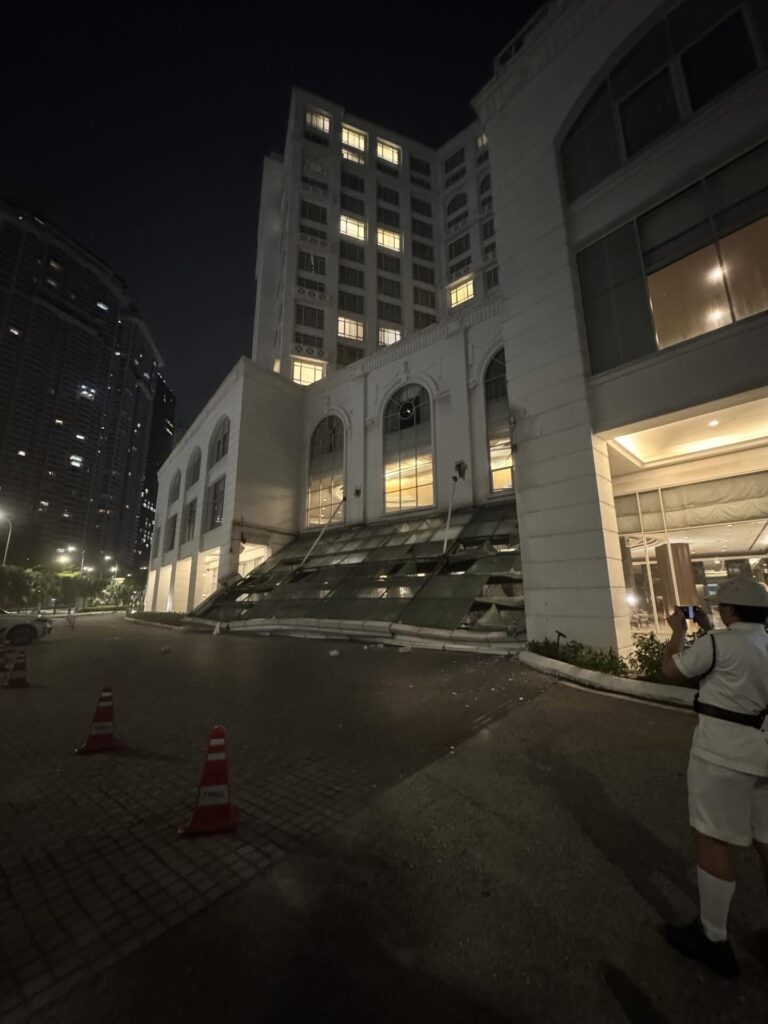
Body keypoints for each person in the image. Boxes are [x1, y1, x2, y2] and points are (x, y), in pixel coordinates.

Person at [661, 577, 768, 977]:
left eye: (722, 606)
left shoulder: (719, 644)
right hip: (764, 750)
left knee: (713, 839)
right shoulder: (763, 641)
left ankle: (713, 937)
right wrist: (707, 631)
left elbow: (672, 670)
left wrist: (677, 633)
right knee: (766, 841)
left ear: (731, 610)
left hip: (722, 754)